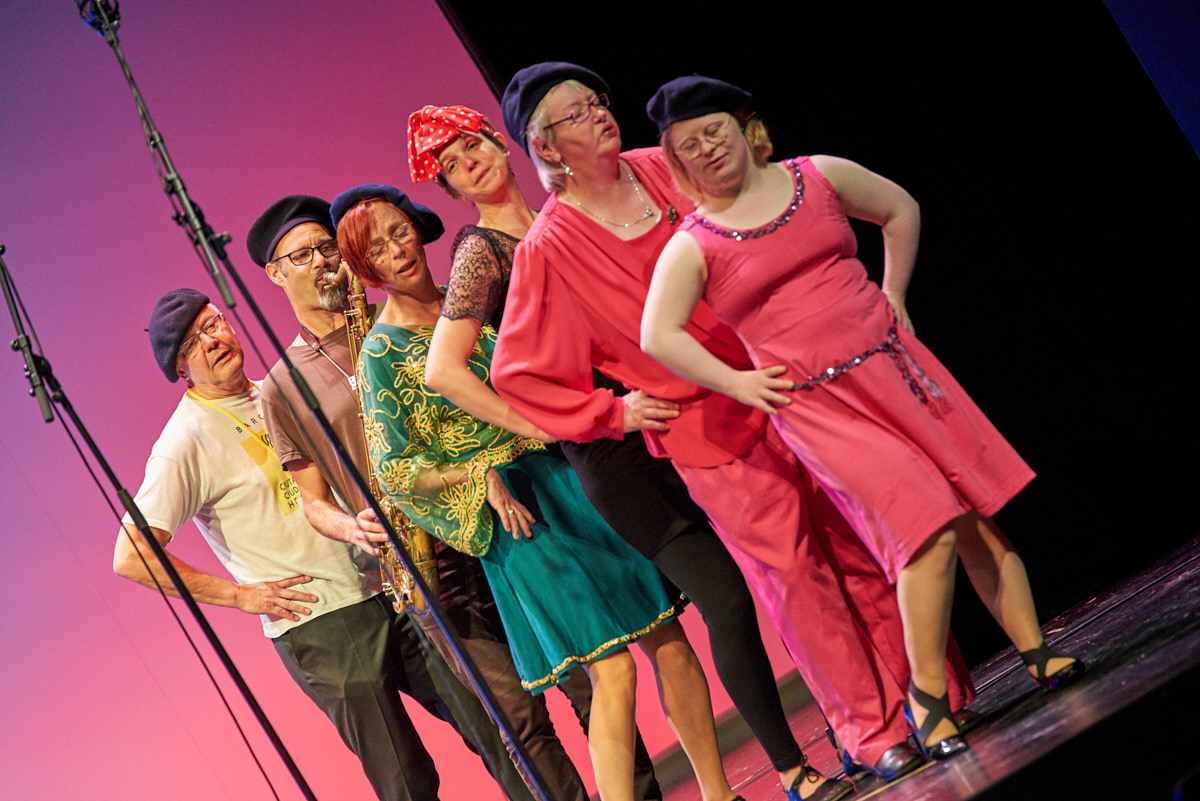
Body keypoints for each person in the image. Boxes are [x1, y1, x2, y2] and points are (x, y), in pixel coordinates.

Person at [488, 61, 979, 781]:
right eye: (576, 113)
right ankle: (870, 731)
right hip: (708, 428)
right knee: (796, 576)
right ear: (545, 146)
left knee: (861, 543)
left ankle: (934, 699)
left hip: (790, 382)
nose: (599, 114)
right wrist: (612, 411)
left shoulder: (667, 169)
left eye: (597, 100)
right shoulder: (551, 249)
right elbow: (519, 373)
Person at [408, 103, 850, 801]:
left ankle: (842, 733)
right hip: (614, 451)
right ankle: (793, 767)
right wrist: (546, 423)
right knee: (726, 599)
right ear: (451, 188)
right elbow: (443, 369)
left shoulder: (567, 213)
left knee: (777, 576)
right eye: (454, 165)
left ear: (503, 142)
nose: (471, 163)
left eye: (474, 146)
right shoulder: (482, 253)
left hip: (677, 418)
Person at [641, 75, 1086, 759]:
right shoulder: (694, 243)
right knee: (925, 525)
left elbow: (900, 208)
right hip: (821, 408)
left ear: (743, 126)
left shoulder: (815, 176)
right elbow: (658, 334)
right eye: (689, 145)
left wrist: (894, 294)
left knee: (968, 515)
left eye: (714, 131)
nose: (708, 149)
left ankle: (1036, 650)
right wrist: (736, 382)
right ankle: (927, 700)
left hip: (893, 371)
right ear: (678, 162)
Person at [331, 183, 742, 801]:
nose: (398, 251)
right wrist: (478, 476)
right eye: (378, 249)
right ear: (365, 269)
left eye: (400, 232)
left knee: (667, 636)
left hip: (571, 473)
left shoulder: (469, 303)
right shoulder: (380, 353)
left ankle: (720, 794)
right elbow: (397, 471)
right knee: (611, 666)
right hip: (517, 515)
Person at [245, 194, 660, 801]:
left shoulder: (409, 316)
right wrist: (351, 526)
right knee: (516, 719)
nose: (322, 263)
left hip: (510, 517)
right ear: (275, 274)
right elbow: (311, 499)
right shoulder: (282, 385)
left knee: (592, 672)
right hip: (429, 560)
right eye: (303, 256)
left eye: (328, 249)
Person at [113, 288, 501, 801]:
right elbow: (131, 554)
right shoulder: (183, 443)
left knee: (493, 725)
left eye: (212, 324)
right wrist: (239, 596)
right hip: (322, 625)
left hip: (387, 585)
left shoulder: (277, 393)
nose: (211, 342)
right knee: (407, 781)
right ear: (181, 368)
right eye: (191, 345)